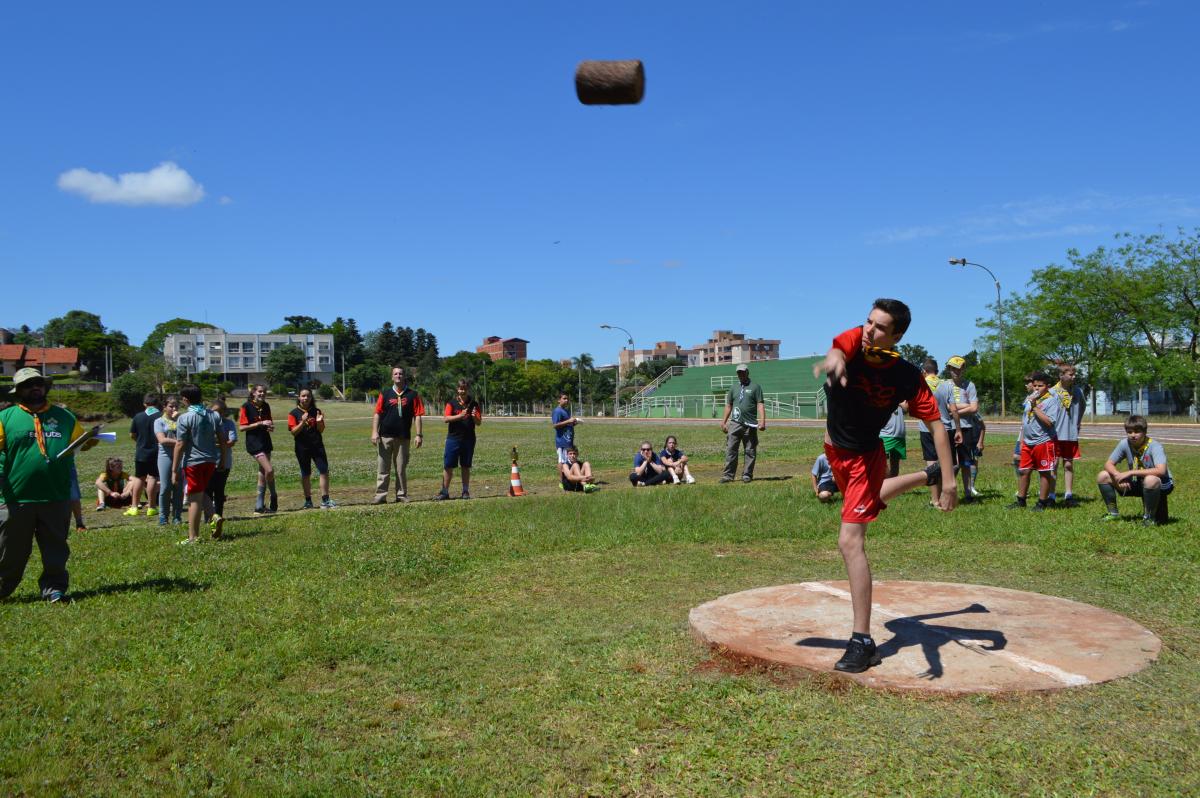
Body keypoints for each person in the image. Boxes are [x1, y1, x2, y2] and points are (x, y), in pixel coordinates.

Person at [813, 299, 956, 673]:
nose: (869, 330)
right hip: (834, 451)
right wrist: (834, 360)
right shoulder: (854, 342)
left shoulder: (906, 375)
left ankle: (862, 641)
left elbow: (937, 425)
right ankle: (927, 477)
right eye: (868, 322)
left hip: (864, 457)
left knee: (849, 539)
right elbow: (838, 347)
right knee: (867, 501)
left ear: (897, 335)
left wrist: (953, 480)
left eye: (879, 328)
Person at [0, 368, 99, 602]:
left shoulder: (64, 417)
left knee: (55, 548)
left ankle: (54, 589)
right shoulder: (5, 418)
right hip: (16, 497)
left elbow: (80, 442)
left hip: (56, 495)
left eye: (38, 383)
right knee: (9, 551)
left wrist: (90, 440)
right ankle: (3, 588)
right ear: (19, 391)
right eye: (28, 384)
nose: (35, 387)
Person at [1097, 415, 1173, 526]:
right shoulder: (1124, 443)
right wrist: (1118, 476)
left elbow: (1161, 471)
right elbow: (1108, 464)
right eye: (1129, 432)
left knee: (1150, 480)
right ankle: (1113, 513)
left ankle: (1149, 518)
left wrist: (1131, 472)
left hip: (1161, 483)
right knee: (1103, 476)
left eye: (1137, 432)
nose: (1133, 435)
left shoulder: (1155, 446)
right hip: (1137, 482)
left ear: (1145, 431)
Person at [172, 384, 224, 545]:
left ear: (186, 400)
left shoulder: (184, 418)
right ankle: (214, 516)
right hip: (210, 461)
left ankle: (193, 537)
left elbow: (180, 444)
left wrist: (174, 469)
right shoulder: (214, 415)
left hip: (193, 462)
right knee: (200, 492)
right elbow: (222, 439)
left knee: (194, 500)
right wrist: (222, 459)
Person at [1008, 371, 1062, 512]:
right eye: (1035, 385)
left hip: (1043, 441)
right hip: (1027, 441)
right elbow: (1025, 418)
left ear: (1048, 386)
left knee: (1044, 472)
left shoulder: (1051, 400)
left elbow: (1050, 422)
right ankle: (1021, 500)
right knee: (1024, 470)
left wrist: (1035, 406)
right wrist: (1021, 439)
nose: (1037, 388)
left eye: (1041, 386)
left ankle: (1042, 502)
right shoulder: (1030, 398)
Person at [371, 366, 424, 504]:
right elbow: (377, 413)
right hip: (385, 436)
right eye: (395, 373)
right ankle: (380, 496)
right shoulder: (385, 393)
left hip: (403, 437)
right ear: (392, 377)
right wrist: (374, 431)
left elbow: (418, 415)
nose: (398, 375)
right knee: (383, 468)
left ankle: (401, 495)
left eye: (400, 373)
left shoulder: (413, 394)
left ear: (404, 376)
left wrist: (419, 435)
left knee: (401, 469)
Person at [434, 379, 481, 500]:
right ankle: (444, 491)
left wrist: (474, 417)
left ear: (468, 389)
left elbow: (479, 422)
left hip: (469, 439)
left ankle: (465, 491)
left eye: (465, 388)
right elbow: (446, 418)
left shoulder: (474, 404)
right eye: (461, 388)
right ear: (457, 389)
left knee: (465, 466)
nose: (463, 391)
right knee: (448, 465)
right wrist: (460, 416)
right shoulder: (452, 403)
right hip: (453, 439)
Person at [289, 388, 335, 509]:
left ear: (311, 398)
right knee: (306, 473)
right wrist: (302, 422)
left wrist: (319, 422)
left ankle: (325, 500)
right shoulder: (293, 413)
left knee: (324, 470)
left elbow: (321, 430)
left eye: (308, 396)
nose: (306, 398)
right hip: (302, 448)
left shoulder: (317, 411)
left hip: (317, 446)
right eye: (303, 396)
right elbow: (293, 432)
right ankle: (308, 501)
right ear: (299, 397)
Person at [720, 364, 765, 483]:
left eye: (743, 372)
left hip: (750, 424)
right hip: (735, 423)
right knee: (731, 449)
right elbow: (729, 405)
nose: (741, 375)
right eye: (739, 373)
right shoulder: (733, 388)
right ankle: (728, 476)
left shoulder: (755, 387)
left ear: (747, 372)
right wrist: (723, 422)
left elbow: (760, 404)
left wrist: (762, 421)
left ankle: (747, 475)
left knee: (750, 450)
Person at [1049, 363, 1086, 507]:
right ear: (1061, 376)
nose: (1074, 377)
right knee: (1054, 464)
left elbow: (1082, 407)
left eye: (1074, 374)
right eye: (1071, 374)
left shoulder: (1077, 391)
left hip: (1070, 434)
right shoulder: (1052, 392)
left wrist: (1078, 422)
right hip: (1055, 434)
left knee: (1069, 464)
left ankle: (1068, 494)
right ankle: (1051, 495)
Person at [239, 384, 277, 514]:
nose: (262, 394)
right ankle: (274, 496)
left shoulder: (266, 406)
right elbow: (242, 427)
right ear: (253, 393)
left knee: (263, 472)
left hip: (265, 441)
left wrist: (270, 427)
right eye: (260, 391)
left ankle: (259, 506)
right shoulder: (246, 407)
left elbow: (269, 423)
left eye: (264, 392)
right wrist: (260, 423)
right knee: (269, 470)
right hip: (254, 443)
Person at [945, 356, 979, 500]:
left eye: (959, 369)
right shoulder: (944, 385)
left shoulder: (969, 385)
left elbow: (975, 408)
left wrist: (954, 411)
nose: (957, 372)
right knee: (949, 464)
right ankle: (947, 493)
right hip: (948, 428)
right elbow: (944, 406)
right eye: (953, 369)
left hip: (967, 428)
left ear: (963, 369)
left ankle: (967, 493)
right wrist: (966, 406)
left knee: (966, 463)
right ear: (949, 369)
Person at [203, 397, 237, 538]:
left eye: (218, 412)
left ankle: (219, 516)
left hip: (224, 462)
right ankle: (209, 518)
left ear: (223, 412)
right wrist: (221, 442)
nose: (216, 414)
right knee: (207, 491)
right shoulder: (207, 424)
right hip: (208, 462)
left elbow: (231, 441)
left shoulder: (228, 423)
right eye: (213, 411)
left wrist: (218, 443)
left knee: (219, 492)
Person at [127, 393, 161, 517]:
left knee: (139, 478)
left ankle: (134, 507)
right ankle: (151, 507)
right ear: (157, 404)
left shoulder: (138, 416)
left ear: (144, 404)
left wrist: (140, 441)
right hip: (156, 451)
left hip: (141, 451)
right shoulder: (160, 416)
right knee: (152, 478)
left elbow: (132, 434)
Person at [154, 395, 184, 526]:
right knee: (166, 487)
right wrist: (179, 442)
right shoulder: (159, 421)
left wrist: (179, 419)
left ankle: (177, 516)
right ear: (164, 407)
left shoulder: (181, 420)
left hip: (181, 456)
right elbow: (162, 440)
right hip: (165, 456)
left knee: (178, 486)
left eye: (176, 406)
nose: (174, 408)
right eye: (171, 406)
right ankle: (163, 516)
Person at [915, 359, 942, 503]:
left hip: (926, 428)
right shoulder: (945, 384)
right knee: (944, 462)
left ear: (924, 371)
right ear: (936, 371)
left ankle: (934, 499)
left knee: (931, 463)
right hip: (944, 427)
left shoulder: (922, 384)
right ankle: (943, 495)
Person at [551, 392, 581, 468]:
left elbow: (567, 424)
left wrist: (574, 423)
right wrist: (568, 421)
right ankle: (562, 479)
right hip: (562, 441)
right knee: (561, 461)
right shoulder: (557, 411)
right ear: (559, 400)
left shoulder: (566, 411)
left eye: (567, 399)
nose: (566, 400)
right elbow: (555, 425)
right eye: (564, 398)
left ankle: (568, 478)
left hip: (568, 440)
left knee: (568, 461)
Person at [878, 403, 907, 478]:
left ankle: (893, 485)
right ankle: (885, 484)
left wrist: (899, 402)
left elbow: (907, 409)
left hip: (899, 436)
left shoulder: (900, 396)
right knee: (882, 463)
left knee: (895, 463)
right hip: (885, 435)